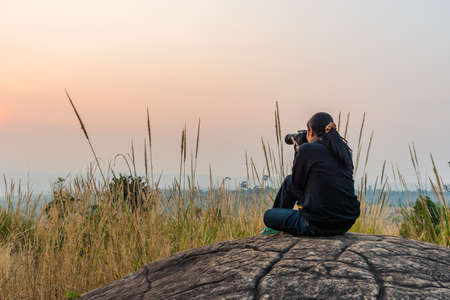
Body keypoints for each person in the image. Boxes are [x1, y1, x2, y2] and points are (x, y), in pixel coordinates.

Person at [262, 112, 360, 236]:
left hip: (317, 225)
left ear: (311, 132)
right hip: (345, 223)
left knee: (269, 216)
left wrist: (298, 150)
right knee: (288, 180)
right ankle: (280, 220)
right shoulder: (344, 151)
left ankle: (274, 227)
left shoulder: (307, 149)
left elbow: (296, 186)